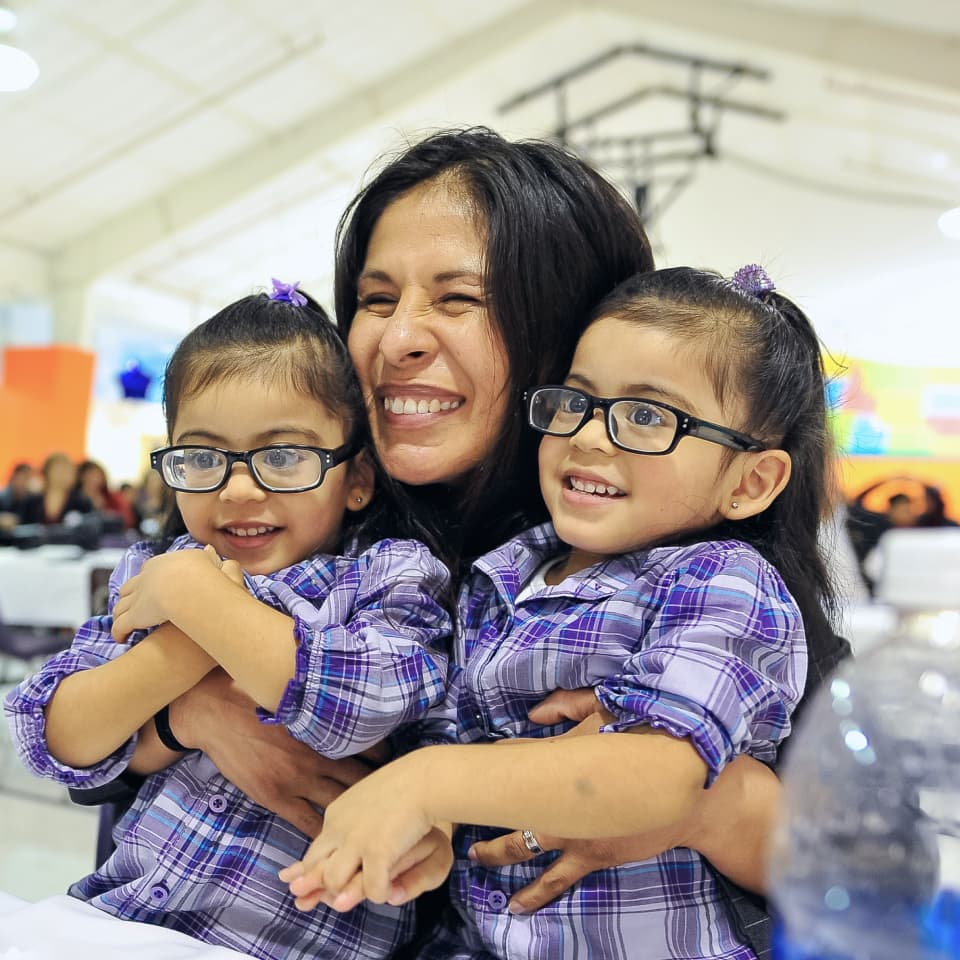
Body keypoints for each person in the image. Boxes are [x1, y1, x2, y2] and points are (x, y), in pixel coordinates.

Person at [82, 128, 850, 955]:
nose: (400, 337)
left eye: (458, 300)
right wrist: (191, 714)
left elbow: (882, 871)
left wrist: (702, 799)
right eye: (376, 300)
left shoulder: (694, 574)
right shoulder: (290, 509)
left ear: (565, 329)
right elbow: (96, 749)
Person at [280, 264, 833, 959]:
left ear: (752, 481)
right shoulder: (499, 576)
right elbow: (454, 738)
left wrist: (427, 786)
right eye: (577, 401)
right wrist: (435, 830)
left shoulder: (722, 580)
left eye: (646, 416)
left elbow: (660, 776)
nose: (591, 436)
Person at [4, 281, 452, 960]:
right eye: (203, 458)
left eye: (283, 456)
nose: (238, 488)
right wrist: (186, 640)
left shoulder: (388, 576)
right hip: (120, 921)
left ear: (355, 476)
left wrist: (203, 605)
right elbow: (56, 736)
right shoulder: (157, 572)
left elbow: (363, 707)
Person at [17, 451, 93, 525]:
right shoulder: (32, 501)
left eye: (67, 471)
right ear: (47, 471)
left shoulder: (81, 502)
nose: (63, 475)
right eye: (59, 470)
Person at [75, 458, 138, 530]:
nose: (94, 479)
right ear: (81, 477)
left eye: (97, 475)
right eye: (90, 475)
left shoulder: (111, 497)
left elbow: (127, 519)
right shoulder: (74, 498)